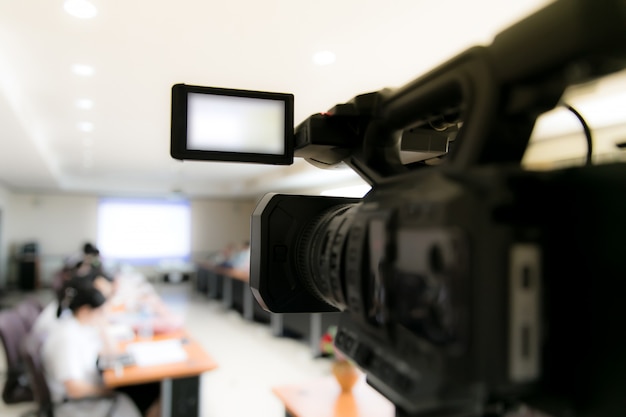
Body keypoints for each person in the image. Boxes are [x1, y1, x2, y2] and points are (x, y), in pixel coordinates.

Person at [40, 278, 158, 417]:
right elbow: (74, 389)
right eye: (100, 312)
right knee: (146, 395)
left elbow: (110, 351)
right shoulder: (66, 338)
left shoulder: (80, 327)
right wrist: (110, 391)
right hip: (81, 404)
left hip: (93, 389)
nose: (104, 315)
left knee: (148, 391)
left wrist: (103, 327)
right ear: (84, 311)